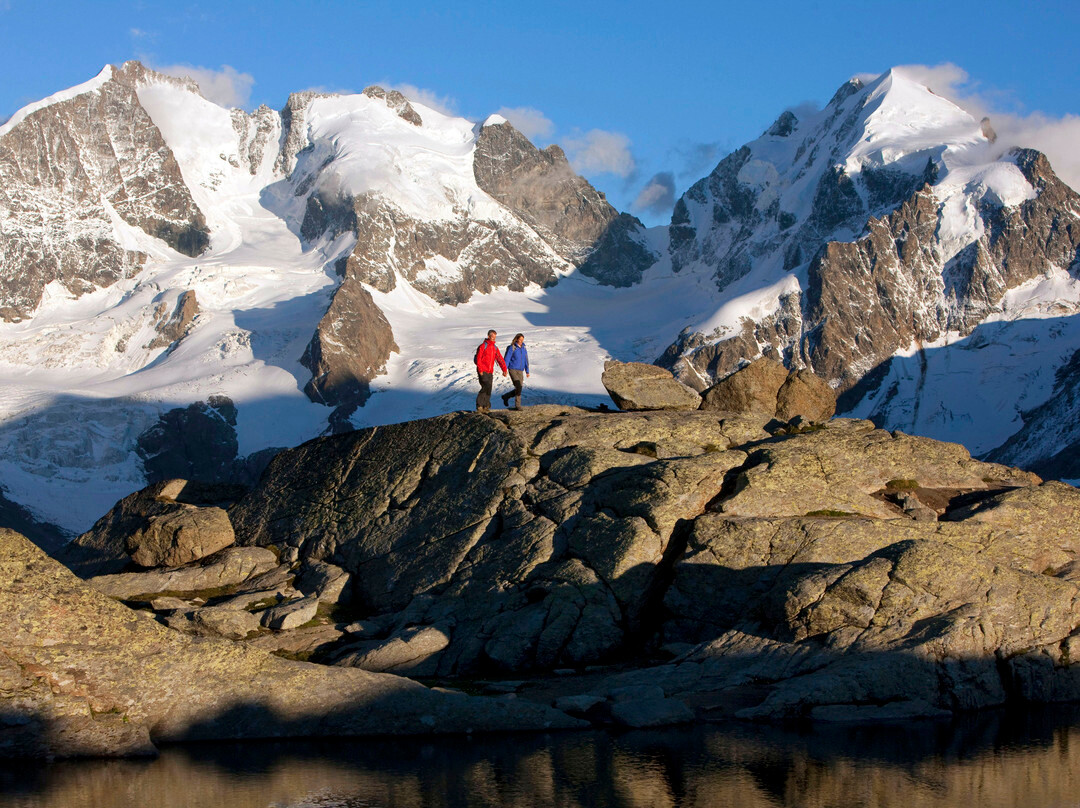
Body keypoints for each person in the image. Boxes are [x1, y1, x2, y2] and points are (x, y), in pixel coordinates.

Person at [474, 329, 507, 412]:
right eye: (492, 337)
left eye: (495, 337)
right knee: (485, 386)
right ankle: (479, 405)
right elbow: (478, 359)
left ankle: (486, 405)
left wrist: (504, 369)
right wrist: (480, 370)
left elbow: (499, 358)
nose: (493, 339)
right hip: (482, 370)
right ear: (488, 336)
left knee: (489, 388)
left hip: (490, 371)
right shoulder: (483, 346)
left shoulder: (494, 348)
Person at [501, 333, 530, 410]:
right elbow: (507, 359)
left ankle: (506, 396)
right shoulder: (512, 348)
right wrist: (504, 370)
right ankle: (518, 405)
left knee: (519, 388)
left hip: (520, 370)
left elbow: (526, 359)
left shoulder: (524, 348)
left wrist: (527, 370)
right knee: (518, 385)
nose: (521, 341)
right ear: (516, 339)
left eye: (522, 340)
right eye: (520, 339)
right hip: (512, 369)